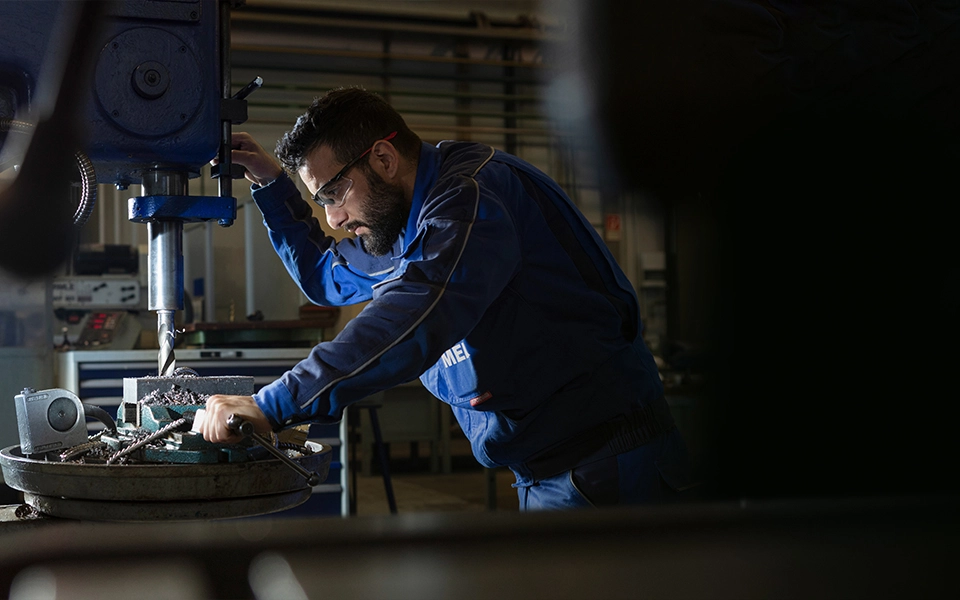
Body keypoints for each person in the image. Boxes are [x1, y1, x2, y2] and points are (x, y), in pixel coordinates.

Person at [200, 87, 694, 509]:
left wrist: (274, 403)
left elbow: (419, 308)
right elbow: (324, 276)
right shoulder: (400, 228)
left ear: (383, 159)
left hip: (610, 467)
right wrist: (270, 184)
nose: (333, 218)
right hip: (546, 474)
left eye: (334, 193)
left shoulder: (473, 200)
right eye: (321, 201)